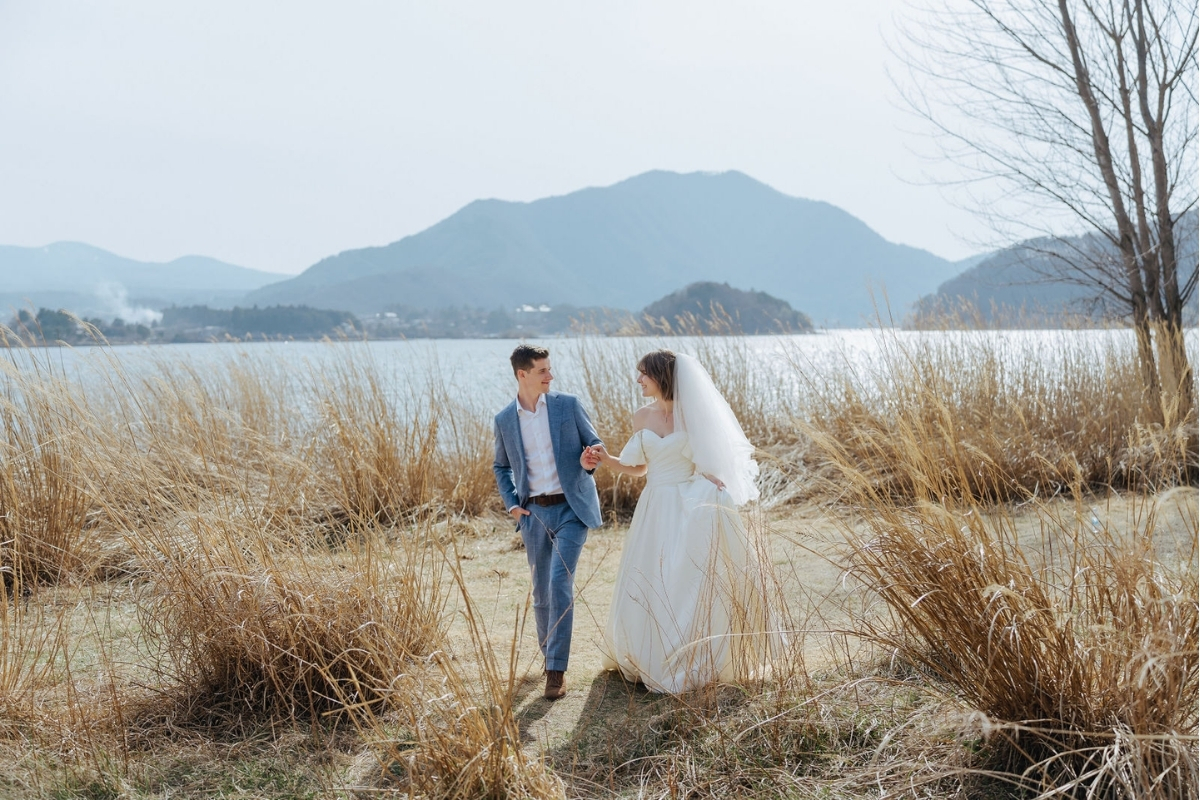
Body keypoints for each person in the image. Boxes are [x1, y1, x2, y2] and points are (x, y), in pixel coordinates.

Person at [585, 349, 776, 693]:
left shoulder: (693, 416)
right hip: (654, 504)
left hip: (686, 502)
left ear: (661, 377)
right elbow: (639, 467)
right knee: (649, 571)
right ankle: (646, 651)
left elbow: (707, 461)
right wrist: (607, 459)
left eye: (644, 374)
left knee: (682, 574)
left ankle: (688, 648)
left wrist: (715, 483)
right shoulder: (641, 417)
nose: (638, 380)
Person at [493, 344, 604, 700]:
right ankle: (548, 657)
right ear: (522, 374)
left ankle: (556, 671)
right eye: (542, 370)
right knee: (542, 592)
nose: (550, 376)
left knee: (559, 583)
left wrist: (590, 460)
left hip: (573, 509)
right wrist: (512, 505)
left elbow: (594, 445)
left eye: (550, 369)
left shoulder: (566, 406)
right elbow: (501, 466)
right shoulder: (504, 420)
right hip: (534, 514)